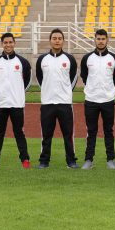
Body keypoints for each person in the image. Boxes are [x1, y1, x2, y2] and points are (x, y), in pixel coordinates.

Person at [0, 32, 32, 170]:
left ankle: (25, 159)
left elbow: (28, 82)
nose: (8, 45)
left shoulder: (23, 62)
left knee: (19, 132)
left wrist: (17, 93)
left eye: (10, 42)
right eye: (5, 42)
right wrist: (1, 93)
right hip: (0, 103)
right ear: (2, 44)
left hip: (17, 103)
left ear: (14, 43)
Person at [36, 28, 79, 169]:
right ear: (50, 40)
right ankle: (44, 161)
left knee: (68, 134)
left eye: (59, 38)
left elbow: (73, 78)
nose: (57, 41)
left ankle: (71, 160)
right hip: (47, 103)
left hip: (65, 103)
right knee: (46, 135)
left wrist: (65, 92)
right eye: (54, 38)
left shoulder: (69, 59)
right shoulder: (42, 60)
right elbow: (39, 78)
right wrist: (48, 91)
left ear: (63, 41)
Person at [80, 29, 115, 170]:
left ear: (107, 40)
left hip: (108, 100)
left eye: (103, 39)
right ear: (95, 40)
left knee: (108, 130)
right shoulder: (87, 58)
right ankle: (88, 160)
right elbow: (84, 77)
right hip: (91, 100)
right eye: (98, 38)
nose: (101, 41)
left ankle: (110, 159)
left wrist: (108, 91)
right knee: (91, 131)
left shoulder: (114, 59)